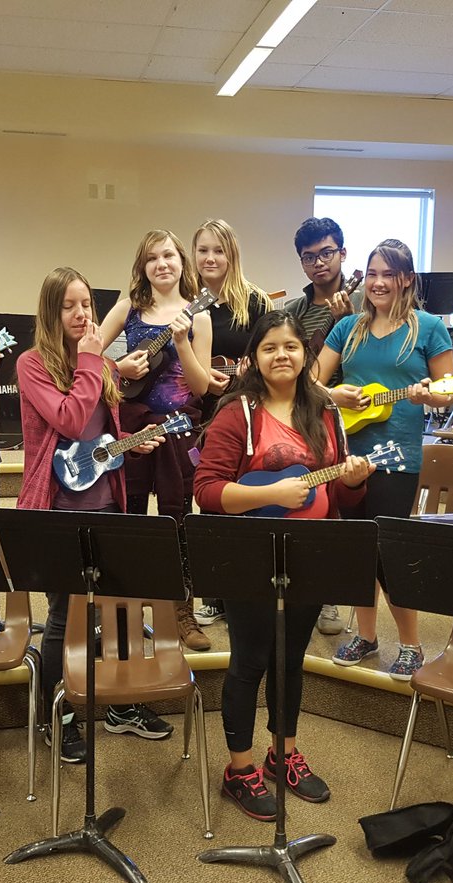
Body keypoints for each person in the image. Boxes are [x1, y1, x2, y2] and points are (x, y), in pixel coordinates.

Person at [193, 309, 372, 819]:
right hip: (250, 553)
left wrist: (355, 480)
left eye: (291, 347)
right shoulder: (236, 414)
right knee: (250, 659)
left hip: (309, 552)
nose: (282, 356)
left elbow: (340, 495)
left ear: (305, 355)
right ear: (254, 357)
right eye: (271, 347)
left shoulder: (326, 413)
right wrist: (273, 491)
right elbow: (206, 490)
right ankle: (239, 768)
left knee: (291, 658)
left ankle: (283, 754)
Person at [17, 266, 173, 763]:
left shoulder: (99, 366)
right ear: (50, 312)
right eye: (70, 305)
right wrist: (91, 360)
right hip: (57, 507)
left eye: (87, 304)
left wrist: (134, 445)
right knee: (65, 614)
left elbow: (101, 433)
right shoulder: (32, 364)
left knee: (115, 606)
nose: (82, 313)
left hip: (106, 500)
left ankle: (120, 707)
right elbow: (68, 418)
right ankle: (57, 714)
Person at [316, 239, 453, 680]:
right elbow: (312, 382)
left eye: (388, 274)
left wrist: (427, 393)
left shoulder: (429, 327)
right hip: (348, 453)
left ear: (406, 279)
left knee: (390, 551)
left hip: (398, 455)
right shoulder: (348, 329)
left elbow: (449, 388)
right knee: (358, 551)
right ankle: (367, 635)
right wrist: (334, 393)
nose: (377, 282)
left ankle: (412, 644)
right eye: (372, 273)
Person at [101, 228, 213, 651]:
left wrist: (182, 341)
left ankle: (180, 609)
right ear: (142, 266)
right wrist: (118, 370)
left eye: (169, 255)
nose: (161, 264)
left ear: (182, 262)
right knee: (127, 514)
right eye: (152, 258)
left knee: (177, 518)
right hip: (132, 426)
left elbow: (202, 387)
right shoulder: (129, 307)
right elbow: (90, 356)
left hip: (179, 427)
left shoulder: (197, 315)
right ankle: (122, 606)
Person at [284, 216, 365, 636]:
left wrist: (349, 322)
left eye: (327, 253)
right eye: (309, 257)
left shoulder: (365, 304)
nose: (319, 264)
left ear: (343, 254)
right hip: (299, 415)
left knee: (334, 508)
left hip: (348, 417)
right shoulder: (294, 311)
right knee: (303, 504)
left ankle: (329, 597)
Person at [188, 218, 270, 632]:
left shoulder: (255, 301)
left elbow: (271, 354)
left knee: (243, 498)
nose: (210, 258)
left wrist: (244, 371)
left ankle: (246, 587)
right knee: (209, 501)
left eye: (218, 250)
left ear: (231, 254)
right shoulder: (189, 303)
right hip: (200, 414)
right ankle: (215, 594)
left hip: (245, 413)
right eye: (203, 250)